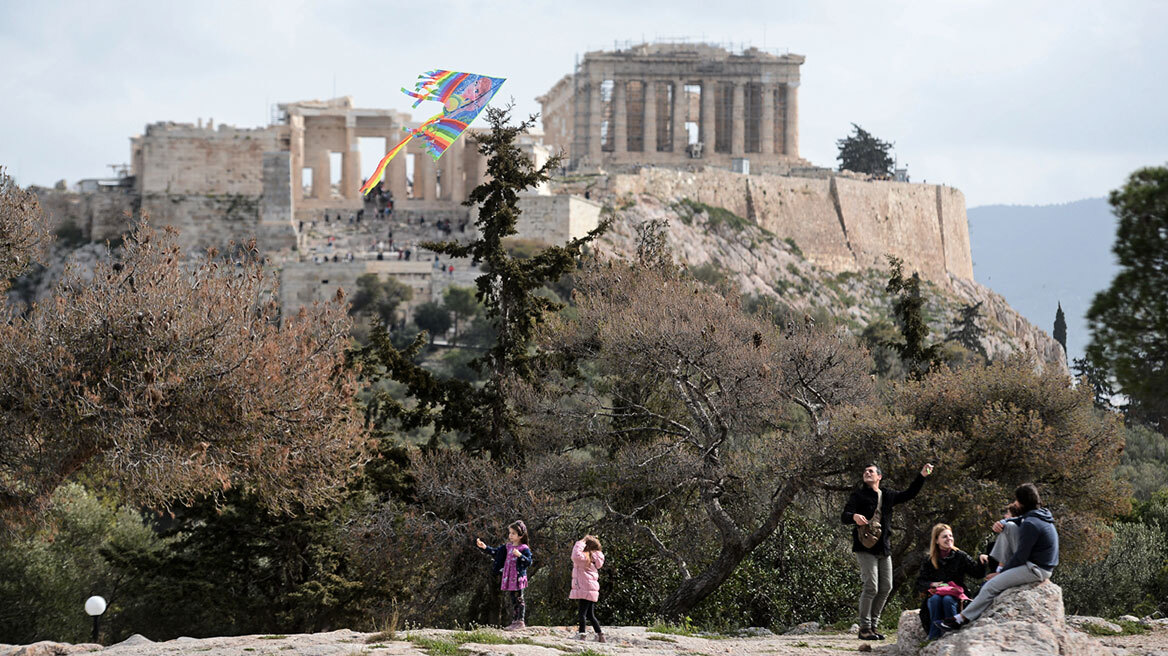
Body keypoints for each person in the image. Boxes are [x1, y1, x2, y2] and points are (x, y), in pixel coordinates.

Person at [936, 484, 1058, 633]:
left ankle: (960, 619)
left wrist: (1001, 574)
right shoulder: (1040, 515)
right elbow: (1018, 521)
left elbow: (1020, 556)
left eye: (1016, 501)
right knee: (1011, 527)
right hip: (1035, 563)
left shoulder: (1031, 524)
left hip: (1036, 570)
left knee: (992, 585)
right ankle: (999, 568)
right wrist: (1003, 522)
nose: (1015, 504)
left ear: (1022, 502)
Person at [841, 462, 935, 641]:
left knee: (886, 587)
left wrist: (921, 476)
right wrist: (853, 517)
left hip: (884, 548)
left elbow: (909, 494)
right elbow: (844, 516)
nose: (867, 473)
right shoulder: (858, 495)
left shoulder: (888, 495)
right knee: (871, 586)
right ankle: (864, 627)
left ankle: (874, 626)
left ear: (879, 477)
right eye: (865, 471)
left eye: (871, 471)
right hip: (865, 547)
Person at [916, 524, 985, 640]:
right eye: (944, 537)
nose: (949, 539)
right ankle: (934, 635)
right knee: (935, 599)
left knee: (948, 599)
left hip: (956, 594)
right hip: (937, 594)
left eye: (950, 536)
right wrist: (933, 584)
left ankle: (952, 632)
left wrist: (981, 559)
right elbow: (919, 582)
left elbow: (977, 574)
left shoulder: (960, 556)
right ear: (937, 540)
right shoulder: (929, 560)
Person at [476, 521, 533, 631]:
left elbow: (529, 562)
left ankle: (520, 621)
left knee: (519, 599)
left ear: (520, 536)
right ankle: (515, 621)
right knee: (513, 599)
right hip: (509, 578)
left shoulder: (524, 548)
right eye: (510, 533)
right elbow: (496, 552)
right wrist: (485, 547)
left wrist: (520, 555)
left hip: (518, 578)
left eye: (513, 533)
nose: (510, 535)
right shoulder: (507, 547)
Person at [570, 536, 605, 643]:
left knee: (582, 614)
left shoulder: (585, 557)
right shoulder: (594, 557)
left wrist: (580, 542)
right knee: (590, 614)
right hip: (591, 589)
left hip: (585, 588)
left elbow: (575, 556)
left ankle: (582, 635)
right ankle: (600, 635)